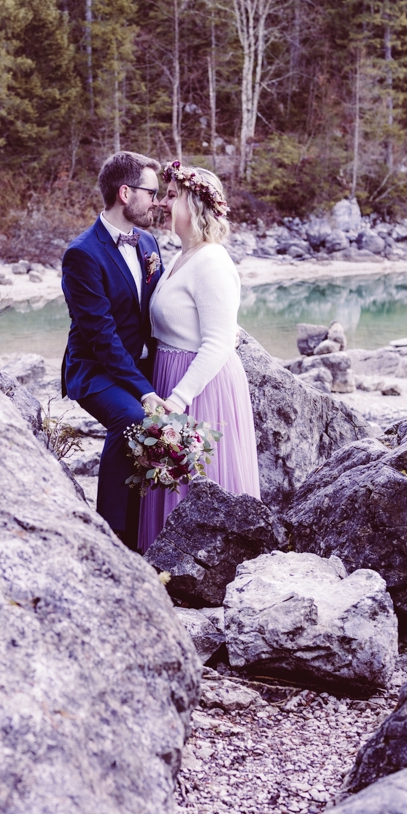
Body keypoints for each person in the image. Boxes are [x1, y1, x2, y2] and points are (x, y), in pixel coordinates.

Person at [137, 161, 260, 552]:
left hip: (200, 387)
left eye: (172, 196)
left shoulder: (213, 262)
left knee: (198, 478)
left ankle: (207, 568)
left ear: (194, 204)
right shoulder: (179, 257)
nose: (163, 203)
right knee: (169, 477)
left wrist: (177, 400)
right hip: (168, 377)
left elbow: (219, 341)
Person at [60, 151, 169, 550]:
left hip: (139, 367)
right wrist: (144, 389)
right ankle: (111, 537)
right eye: (151, 192)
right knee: (132, 419)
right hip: (95, 369)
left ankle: (145, 532)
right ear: (126, 193)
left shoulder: (149, 243)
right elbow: (102, 337)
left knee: (166, 423)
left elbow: (156, 309)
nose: (157, 202)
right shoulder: (82, 254)